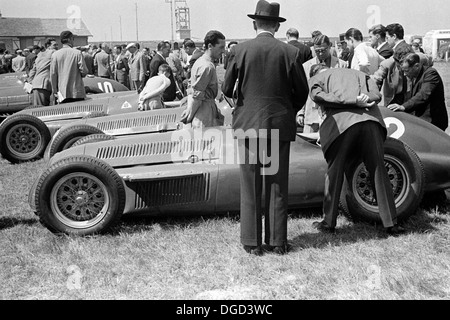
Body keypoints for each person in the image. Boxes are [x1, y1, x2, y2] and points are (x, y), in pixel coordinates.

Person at [222, 0, 309, 255]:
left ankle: (251, 241)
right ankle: (277, 241)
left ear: (254, 23)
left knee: (250, 184)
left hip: (248, 126)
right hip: (278, 125)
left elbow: (226, 89)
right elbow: (302, 92)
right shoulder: (290, 53)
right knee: (277, 184)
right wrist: (286, 109)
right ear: (277, 26)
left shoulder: (240, 50)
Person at [308, 65, 405, 236]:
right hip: (371, 123)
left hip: (342, 126)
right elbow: (376, 94)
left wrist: (350, 100)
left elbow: (317, 95)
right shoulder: (360, 74)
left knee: (334, 172)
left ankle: (328, 222)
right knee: (378, 170)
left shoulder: (318, 78)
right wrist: (361, 99)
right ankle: (391, 223)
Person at [297, 34, 347, 133]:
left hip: (334, 116)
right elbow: (302, 90)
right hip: (311, 116)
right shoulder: (306, 66)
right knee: (309, 147)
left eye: (323, 50)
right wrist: (300, 113)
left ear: (330, 46)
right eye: (317, 51)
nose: (320, 53)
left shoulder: (341, 65)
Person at [387, 53, 448, 131]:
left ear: (416, 66)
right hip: (420, 120)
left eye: (407, 71)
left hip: (433, 121)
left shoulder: (431, 74)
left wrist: (403, 107)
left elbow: (423, 95)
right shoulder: (414, 75)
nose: (405, 74)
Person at [180, 30, 226, 128]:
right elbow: (198, 95)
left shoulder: (199, 62)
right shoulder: (207, 67)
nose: (223, 51)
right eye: (221, 47)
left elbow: (191, 89)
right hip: (204, 112)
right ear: (210, 46)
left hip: (202, 109)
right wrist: (190, 116)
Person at [50, 30, 88, 104]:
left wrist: (54, 90)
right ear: (69, 39)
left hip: (62, 93)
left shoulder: (55, 55)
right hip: (77, 92)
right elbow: (84, 71)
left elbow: (53, 74)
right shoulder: (77, 53)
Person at [28, 38, 59, 106]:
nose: (57, 47)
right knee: (42, 111)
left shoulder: (40, 55)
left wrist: (30, 82)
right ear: (48, 46)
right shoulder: (53, 53)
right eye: (54, 45)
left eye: (57, 45)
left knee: (40, 109)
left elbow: (32, 71)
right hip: (44, 83)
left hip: (38, 84)